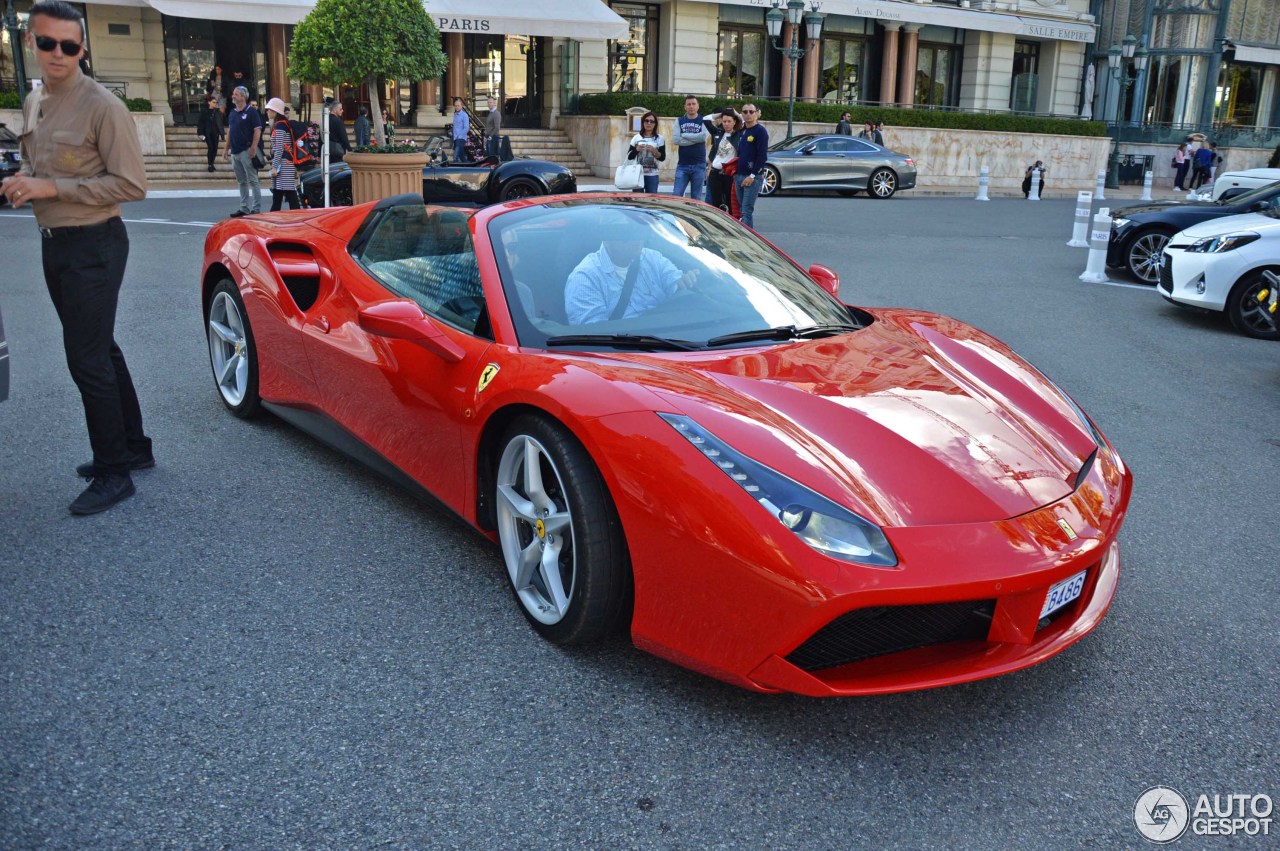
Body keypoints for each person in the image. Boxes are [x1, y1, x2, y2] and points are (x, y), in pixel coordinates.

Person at [1, 0, 150, 514]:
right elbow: (35, 161)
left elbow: (132, 183)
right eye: (47, 43)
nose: (58, 53)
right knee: (101, 349)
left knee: (86, 360)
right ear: (31, 44)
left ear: (82, 49)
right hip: (56, 245)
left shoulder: (104, 106)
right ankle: (133, 449)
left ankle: (114, 473)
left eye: (69, 45)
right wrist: (24, 183)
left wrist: (50, 186)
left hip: (94, 244)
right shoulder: (35, 98)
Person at [563, 224, 698, 324]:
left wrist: (685, 282)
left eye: (639, 231)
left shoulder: (653, 258)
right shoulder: (585, 277)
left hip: (673, 340)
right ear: (607, 238)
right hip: (623, 352)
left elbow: (675, 282)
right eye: (625, 233)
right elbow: (591, 336)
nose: (636, 239)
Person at [223, 84, 263, 217]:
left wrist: (253, 147)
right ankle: (244, 208)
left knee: (253, 179)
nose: (233, 96)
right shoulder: (233, 113)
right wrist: (226, 148)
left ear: (243, 97)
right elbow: (230, 131)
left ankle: (256, 208)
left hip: (246, 150)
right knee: (241, 181)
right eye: (233, 94)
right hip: (235, 152)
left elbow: (257, 130)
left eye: (236, 94)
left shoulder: (251, 112)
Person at [734, 104, 769, 228]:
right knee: (741, 209)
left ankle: (747, 240)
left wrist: (753, 175)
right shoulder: (742, 131)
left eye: (751, 111)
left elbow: (762, 156)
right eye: (745, 112)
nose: (748, 114)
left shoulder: (760, 131)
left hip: (752, 177)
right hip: (739, 175)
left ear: (757, 113)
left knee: (746, 210)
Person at [264, 97, 299, 211]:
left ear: (275, 110)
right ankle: (275, 215)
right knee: (279, 193)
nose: (267, 112)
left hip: (283, 164)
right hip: (285, 163)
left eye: (269, 109)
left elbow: (279, 148)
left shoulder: (279, 126)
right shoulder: (283, 124)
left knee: (287, 192)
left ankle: (296, 215)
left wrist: (274, 166)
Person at [671, 95, 709, 200]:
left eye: (693, 104)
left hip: (699, 165)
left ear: (698, 106)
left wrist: (684, 135)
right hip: (683, 165)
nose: (691, 106)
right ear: (685, 107)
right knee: (676, 196)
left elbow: (703, 137)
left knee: (696, 199)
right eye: (689, 104)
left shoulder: (704, 120)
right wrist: (694, 139)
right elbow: (676, 140)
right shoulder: (679, 120)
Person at [707, 109, 742, 218]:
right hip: (715, 172)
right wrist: (721, 114)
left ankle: (730, 225)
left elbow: (743, 120)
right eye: (724, 121)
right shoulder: (718, 133)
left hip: (729, 173)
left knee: (730, 201)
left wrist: (734, 112)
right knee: (716, 202)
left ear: (734, 122)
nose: (726, 124)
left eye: (729, 121)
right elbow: (706, 119)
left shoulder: (738, 135)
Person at [627, 111, 666, 194]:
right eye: (646, 120)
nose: (649, 123)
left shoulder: (660, 138)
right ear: (643, 122)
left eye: (652, 121)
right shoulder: (636, 138)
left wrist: (654, 151)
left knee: (651, 200)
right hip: (638, 174)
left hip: (652, 175)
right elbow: (629, 156)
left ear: (655, 124)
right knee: (637, 200)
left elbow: (662, 157)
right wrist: (637, 149)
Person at [196, 94, 223, 173]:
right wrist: (200, 133)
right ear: (209, 102)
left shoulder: (218, 112)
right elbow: (201, 123)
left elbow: (221, 122)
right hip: (207, 132)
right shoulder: (204, 112)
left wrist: (221, 133)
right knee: (210, 148)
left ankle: (212, 163)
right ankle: (209, 164)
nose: (215, 104)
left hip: (215, 133)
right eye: (214, 102)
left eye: (216, 102)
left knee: (215, 149)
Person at [451, 96, 469, 162]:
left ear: (461, 106)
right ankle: (467, 165)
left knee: (456, 154)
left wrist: (460, 136)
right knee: (462, 156)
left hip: (461, 138)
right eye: (455, 106)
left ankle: (454, 164)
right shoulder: (455, 114)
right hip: (455, 138)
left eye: (458, 106)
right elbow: (455, 126)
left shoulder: (464, 115)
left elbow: (466, 127)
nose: (457, 107)